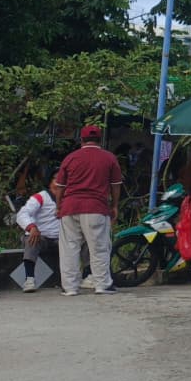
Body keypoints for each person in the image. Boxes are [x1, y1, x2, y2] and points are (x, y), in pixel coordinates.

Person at [51, 125, 123, 296]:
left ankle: (70, 287)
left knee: (69, 248)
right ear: (100, 139)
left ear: (81, 140)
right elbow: (115, 185)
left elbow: (60, 186)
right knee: (99, 248)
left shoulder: (70, 158)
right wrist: (114, 206)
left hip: (70, 207)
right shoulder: (109, 158)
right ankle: (102, 284)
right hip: (96, 208)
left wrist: (59, 206)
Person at [16, 177, 62, 292]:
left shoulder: (69, 197)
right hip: (41, 236)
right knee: (31, 239)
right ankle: (29, 279)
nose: (59, 180)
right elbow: (22, 214)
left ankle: (87, 275)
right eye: (56, 178)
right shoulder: (40, 197)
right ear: (50, 182)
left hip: (61, 238)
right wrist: (31, 227)